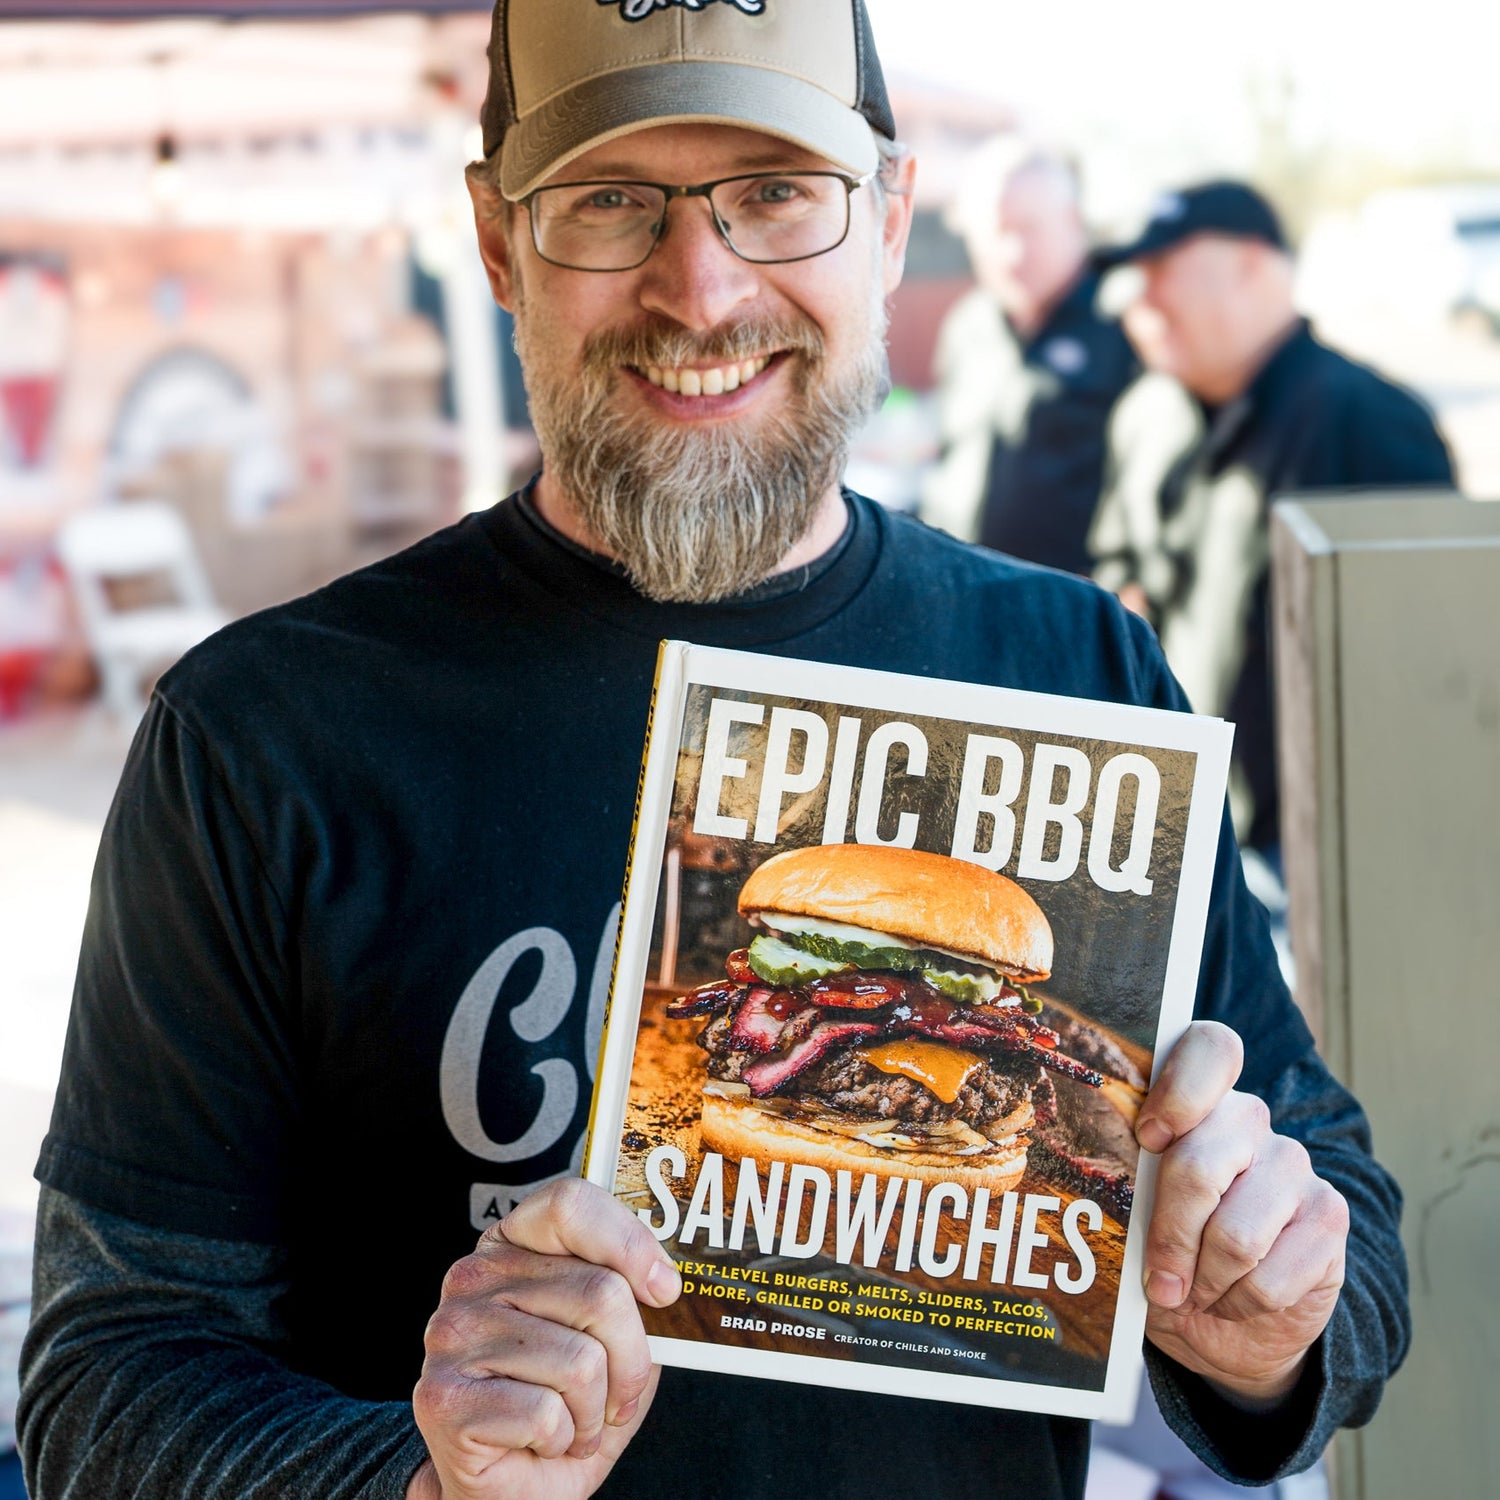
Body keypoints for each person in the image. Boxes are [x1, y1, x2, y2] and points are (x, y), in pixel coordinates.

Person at [19, 8, 1403, 1500]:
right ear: (496, 244)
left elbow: (1359, 1240)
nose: (701, 288)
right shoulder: (264, 735)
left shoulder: (1079, 674)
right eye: (610, 201)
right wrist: (416, 1484)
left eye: (775, 191)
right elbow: (106, 1371)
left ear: (889, 224)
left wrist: (1267, 1320)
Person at [1090, 181, 1455, 858]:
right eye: (1132, 280)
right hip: (1172, 834)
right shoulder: (1146, 415)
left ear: (1254, 266)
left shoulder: (1368, 422)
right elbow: (1118, 576)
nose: (1141, 301)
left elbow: (1433, 673)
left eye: (1163, 270)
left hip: (1314, 849)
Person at [922, 138, 1138, 573]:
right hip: (956, 594)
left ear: (1073, 222)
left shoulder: (1126, 324)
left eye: (1030, 229)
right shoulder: (967, 325)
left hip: (1075, 611)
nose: (1012, 253)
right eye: (997, 231)